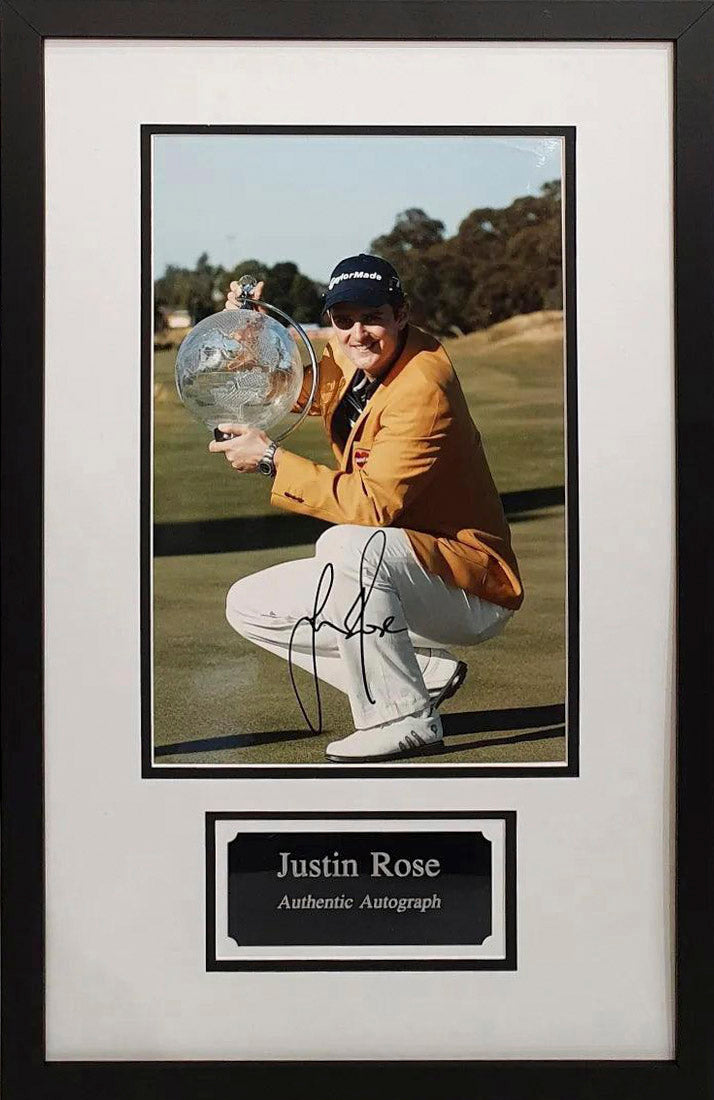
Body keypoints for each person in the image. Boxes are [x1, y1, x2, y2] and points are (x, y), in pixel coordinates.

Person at [209, 254, 523, 762]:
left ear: (401, 314)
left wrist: (270, 459)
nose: (357, 333)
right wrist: (253, 338)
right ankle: (422, 676)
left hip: (467, 585)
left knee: (346, 543)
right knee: (249, 605)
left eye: (372, 317)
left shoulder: (423, 387)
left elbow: (373, 505)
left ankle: (404, 718)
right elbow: (294, 389)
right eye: (343, 319)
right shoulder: (346, 354)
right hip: (398, 571)